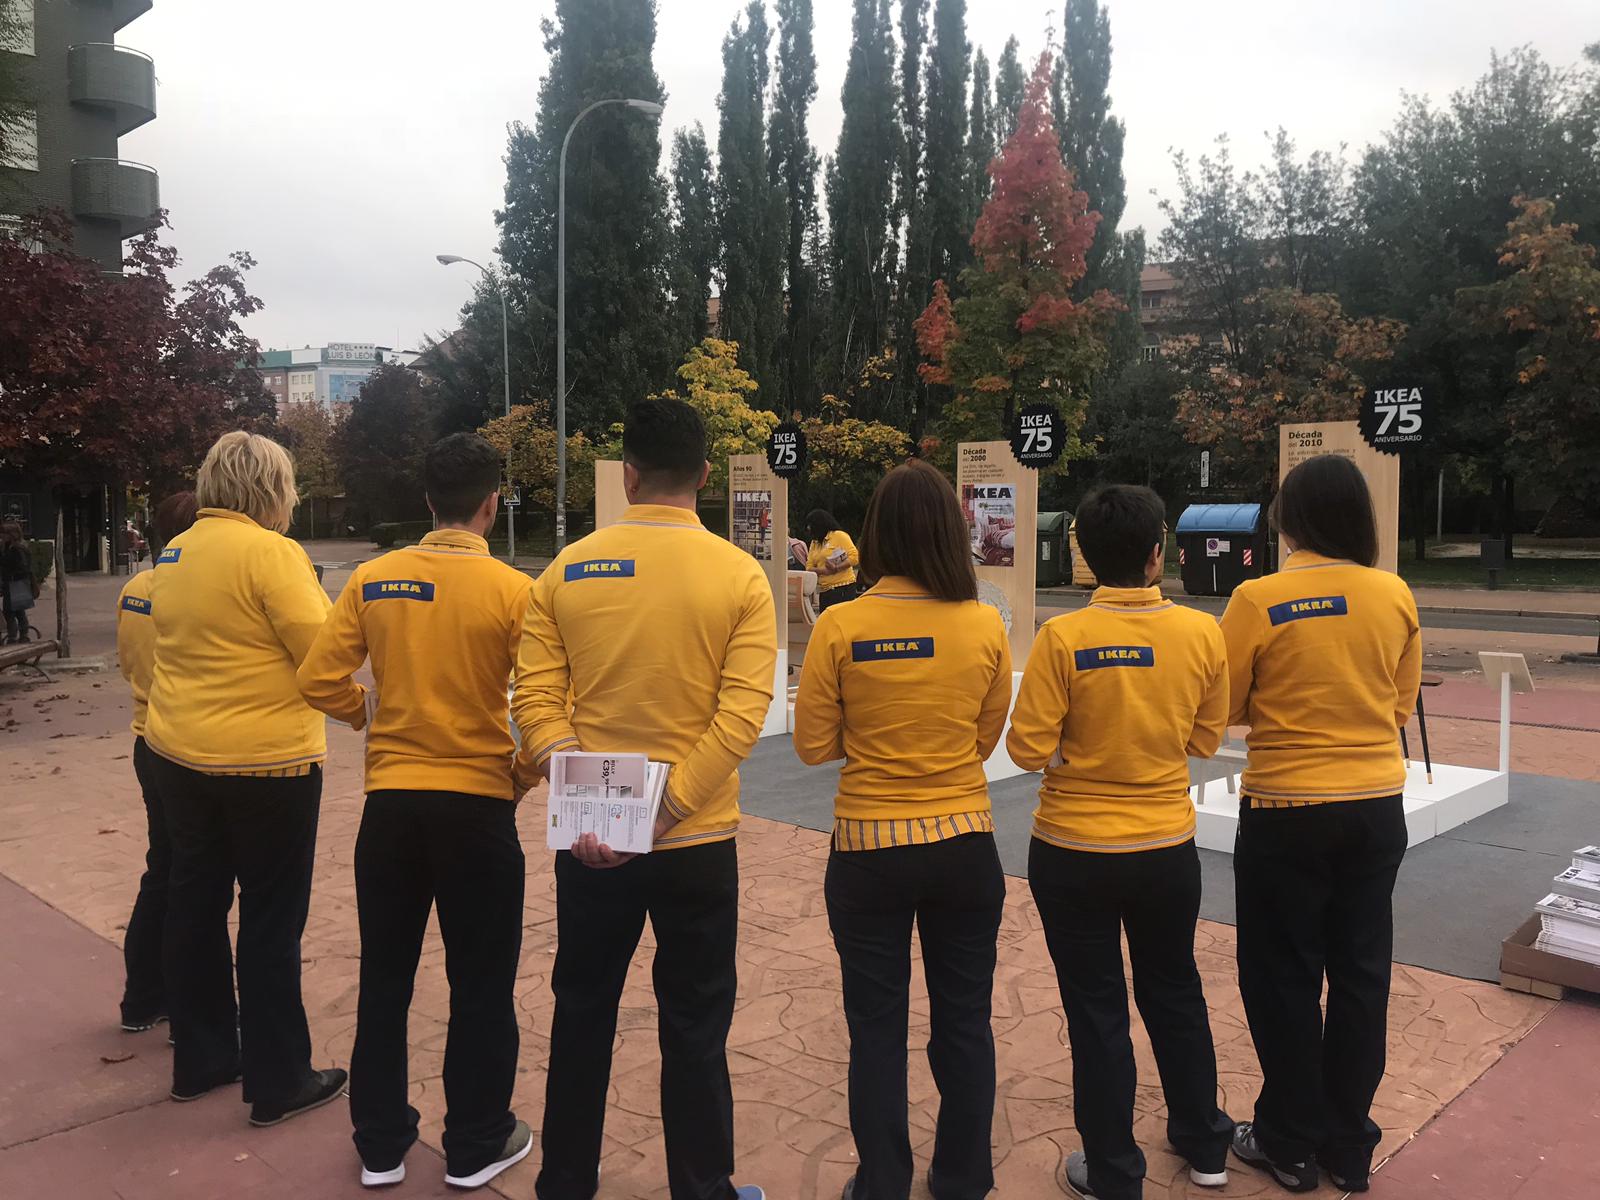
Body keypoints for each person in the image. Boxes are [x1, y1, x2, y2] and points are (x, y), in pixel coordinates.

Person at [512, 398, 774, 1200]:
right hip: (696, 843)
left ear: (627, 474)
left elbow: (535, 702)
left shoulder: (564, 572)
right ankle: (704, 1189)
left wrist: (598, 811)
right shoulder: (739, 575)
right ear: (704, 476)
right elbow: (741, 714)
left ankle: (564, 1183)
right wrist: (663, 812)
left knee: (582, 1010)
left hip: (590, 848)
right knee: (696, 1024)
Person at [297, 433, 536, 1191]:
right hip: (477, 808)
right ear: (491, 505)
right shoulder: (514, 591)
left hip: (391, 808)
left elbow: (317, 678)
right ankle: (475, 1142)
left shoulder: (373, 580)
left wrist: (364, 711)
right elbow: (544, 703)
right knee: (481, 981)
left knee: (385, 977)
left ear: (428, 502)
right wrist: (520, 773)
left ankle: (379, 1143)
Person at [1007, 484, 1234, 1200]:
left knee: (1096, 1008)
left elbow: (1025, 748)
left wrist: (1071, 754)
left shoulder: (1063, 638)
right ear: (1157, 554)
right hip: (1166, 848)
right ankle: (1206, 1148)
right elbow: (1204, 737)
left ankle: (1113, 1173)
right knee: (1175, 990)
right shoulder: (1202, 634)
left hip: (1071, 851)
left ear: (1083, 558)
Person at [793, 460, 1012, 1200]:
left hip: (866, 854)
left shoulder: (841, 625)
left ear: (877, 534)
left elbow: (814, 745)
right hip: (964, 847)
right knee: (964, 1022)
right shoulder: (985, 624)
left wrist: (874, 731)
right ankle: (962, 1177)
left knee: (876, 1028)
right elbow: (984, 742)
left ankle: (882, 1179)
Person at [1220, 455, 1421, 1195]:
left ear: (1289, 521)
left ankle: (1288, 1141)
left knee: (1283, 977)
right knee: (1362, 976)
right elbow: (1400, 706)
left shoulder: (1256, 598)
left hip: (1284, 811)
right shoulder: (1393, 594)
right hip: (1375, 808)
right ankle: (1349, 1146)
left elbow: (1227, 706)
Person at [144, 431, 347, 1125]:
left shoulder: (176, 551)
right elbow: (323, 659)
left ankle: (201, 1059)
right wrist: (364, 712)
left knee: (194, 904)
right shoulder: (272, 553)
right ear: (273, 488)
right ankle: (279, 1077)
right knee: (269, 919)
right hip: (269, 765)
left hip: (180, 754)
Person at [114, 491, 199, 1033]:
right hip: (187, 745)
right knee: (194, 878)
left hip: (147, 738)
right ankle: (186, 1002)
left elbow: (129, 664)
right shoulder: (189, 592)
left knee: (163, 868)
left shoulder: (135, 590)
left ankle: (143, 995)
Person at [805, 509, 861, 610]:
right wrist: (823, 571)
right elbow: (809, 567)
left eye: (811, 524)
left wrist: (837, 567)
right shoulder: (815, 542)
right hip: (824, 590)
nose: (808, 528)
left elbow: (855, 557)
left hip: (843, 588)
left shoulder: (839, 536)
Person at [1, 521, 36, 643]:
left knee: (13, 610)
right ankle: (20, 634)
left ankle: (17, 635)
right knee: (14, 610)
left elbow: (23, 567)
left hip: (16, 584)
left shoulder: (17, 549)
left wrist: (11, 576)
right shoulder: (7, 547)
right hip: (10, 584)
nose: (2, 536)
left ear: (12, 534)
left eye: (4, 533)